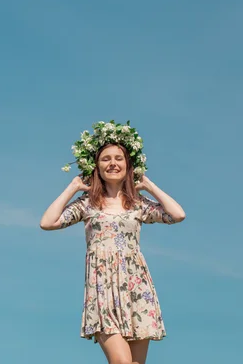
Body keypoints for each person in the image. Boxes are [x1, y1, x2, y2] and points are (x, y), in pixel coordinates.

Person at [39, 122, 185, 364]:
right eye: (105, 159)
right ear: (96, 166)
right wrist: (73, 187)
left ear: (128, 165)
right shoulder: (87, 204)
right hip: (103, 289)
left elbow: (177, 215)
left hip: (136, 288)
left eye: (119, 158)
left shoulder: (137, 204)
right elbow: (48, 222)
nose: (112, 163)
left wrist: (148, 185)